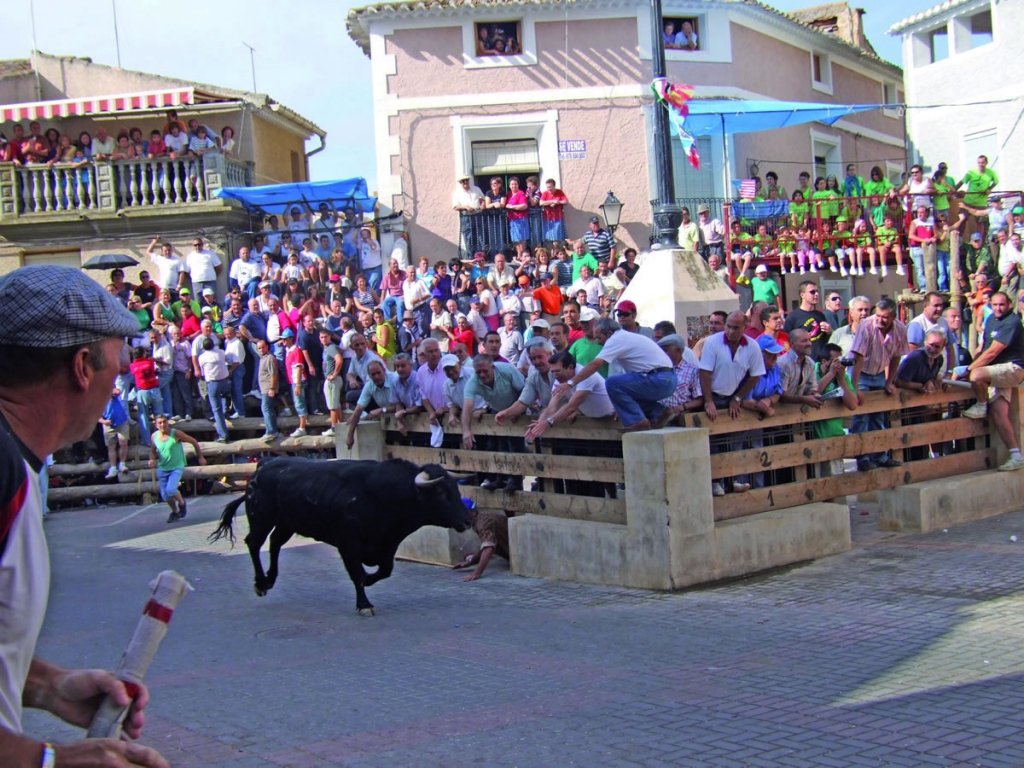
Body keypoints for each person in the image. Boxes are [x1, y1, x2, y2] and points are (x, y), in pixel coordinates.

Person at [0, 265, 167, 766]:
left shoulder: (18, 464)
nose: (117, 383)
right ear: (81, 367)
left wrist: (49, 686)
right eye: (116, 366)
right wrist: (50, 760)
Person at [551, 317, 675, 432]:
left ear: (609, 333)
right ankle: (660, 411)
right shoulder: (626, 338)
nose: (598, 343)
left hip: (660, 379)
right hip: (667, 379)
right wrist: (622, 407)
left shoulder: (616, 339)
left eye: (599, 338)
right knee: (621, 390)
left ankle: (637, 421)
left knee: (611, 383)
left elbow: (595, 365)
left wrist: (571, 383)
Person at [956, 291, 1024, 470]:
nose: (998, 308)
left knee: (976, 376)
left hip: (1012, 368)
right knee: (999, 415)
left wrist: (969, 369)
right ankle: (1017, 455)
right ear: (990, 306)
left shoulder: (1013, 322)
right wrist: (973, 363)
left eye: (1002, 305)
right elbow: (984, 348)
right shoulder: (991, 320)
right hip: (996, 371)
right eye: (995, 305)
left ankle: (981, 404)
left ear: (1009, 304)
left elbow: (994, 352)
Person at [850, 297, 909, 471]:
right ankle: (862, 458)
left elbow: (897, 356)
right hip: (861, 373)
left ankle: (879, 456)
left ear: (893, 316)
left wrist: (890, 381)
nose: (880, 320)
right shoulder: (867, 326)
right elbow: (858, 357)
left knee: (878, 417)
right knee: (860, 417)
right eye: (878, 316)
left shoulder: (900, 329)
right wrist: (855, 387)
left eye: (885, 317)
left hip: (879, 373)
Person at [149, 415, 205, 523]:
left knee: (171, 489)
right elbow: (152, 451)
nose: (162, 425)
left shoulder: (175, 433)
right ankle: (175, 512)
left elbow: (193, 441)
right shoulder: (154, 436)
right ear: (156, 425)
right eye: (159, 423)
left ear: (168, 423)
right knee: (165, 495)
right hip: (162, 468)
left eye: (164, 422)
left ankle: (182, 503)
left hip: (176, 467)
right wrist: (152, 459)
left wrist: (200, 457)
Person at [451, 498, 510, 581]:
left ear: (473, 513)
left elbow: (488, 548)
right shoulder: (481, 519)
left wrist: (477, 573)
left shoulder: (483, 523)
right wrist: (471, 562)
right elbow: (484, 546)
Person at [344, 360, 398, 449]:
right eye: (373, 374)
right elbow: (358, 410)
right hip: (385, 409)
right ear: (369, 376)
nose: (377, 377)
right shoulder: (369, 385)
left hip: (402, 410)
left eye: (378, 373)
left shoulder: (394, 379)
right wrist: (350, 436)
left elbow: (404, 405)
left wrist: (381, 410)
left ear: (384, 371)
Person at [652, 334, 703, 426]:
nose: (662, 354)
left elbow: (699, 399)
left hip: (679, 418)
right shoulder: (656, 369)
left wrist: (681, 407)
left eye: (665, 351)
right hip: (657, 416)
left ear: (678, 350)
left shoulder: (692, 370)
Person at [783, 280, 832, 361]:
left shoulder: (820, 315)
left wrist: (829, 332)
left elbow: (825, 340)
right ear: (802, 295)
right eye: (812, 292)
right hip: (802, 361)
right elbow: (786, 341)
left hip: (820, 362)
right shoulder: (793, 317)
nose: (816, 294)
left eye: (817, 291)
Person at [777, 329, 823, 409]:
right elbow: (780, 395)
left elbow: (811, 388)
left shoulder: (810, 362)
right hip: (778, 414)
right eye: (804, 341)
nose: (809, 344)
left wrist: (814, 395)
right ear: (792, 344)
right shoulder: (784, 364)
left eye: (809, 340)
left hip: (797, 415)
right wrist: (804, 399)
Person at [99, 387, 130, 479]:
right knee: (111, 446)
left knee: (123, 442)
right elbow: (96, 416)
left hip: (122, 422)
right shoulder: (98, 401)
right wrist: (104, 422)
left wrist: (113, 391)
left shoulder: (114, 395)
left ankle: (122, 464)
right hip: (108, 425)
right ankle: (113, 468)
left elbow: (118, 391)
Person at [255, 338, 281, 441]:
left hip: (268, 388)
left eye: (263, 347)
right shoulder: (262, 358)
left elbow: (273, 374)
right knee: (268, 409)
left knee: (266, 409)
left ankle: (271, 431)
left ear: (267, 347)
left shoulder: (270, 358)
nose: (261, 350)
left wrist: (272, 388)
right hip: (264, 389)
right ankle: (273, 430)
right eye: (259, 348)